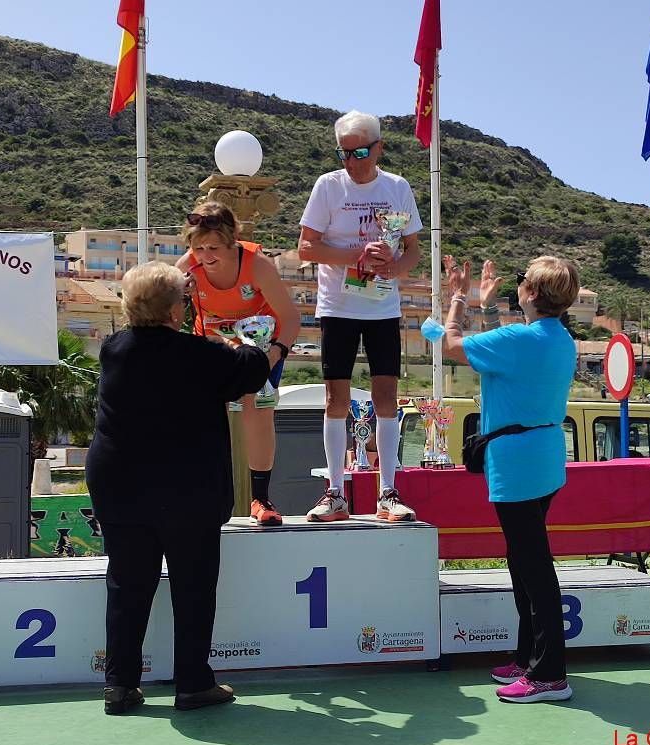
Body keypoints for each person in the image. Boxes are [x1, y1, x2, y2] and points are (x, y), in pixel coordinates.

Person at [86, 261, 273, 714]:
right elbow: (252, 368)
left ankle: (120, 685)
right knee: (193, 585)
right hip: (187, 488)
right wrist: (253, 337)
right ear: (175, 311)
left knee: (128, 584)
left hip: (120, 484)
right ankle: (192, 683)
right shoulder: (201, 355)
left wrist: (174, 296)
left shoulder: (114, 350)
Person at [442, 254, 580, 704]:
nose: (517, 284)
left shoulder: (522, 338)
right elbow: (504, 352)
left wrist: (458, 298)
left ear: (533, 293)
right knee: (525, 561)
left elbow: (451, 346)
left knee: (533, 566)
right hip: (542, 457)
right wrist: (487, 308)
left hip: (516, 463)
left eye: (521, 280)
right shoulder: (559, 339)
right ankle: (527, 659)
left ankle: (548, 675)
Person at [298, 110, 422, 523]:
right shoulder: (328, 187)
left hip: (382, 307)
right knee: (337, 399)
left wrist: (392, 267)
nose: (351, 161)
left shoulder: (397, 187)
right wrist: (356, 256)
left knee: (386, 398)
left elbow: (413, 253)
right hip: (337, 306)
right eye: (344, 153)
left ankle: (388, 491)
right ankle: (335, 492)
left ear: (379, 148)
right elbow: (306, 248)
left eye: (360, 152)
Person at [176, 201, 301, 526]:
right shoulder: (186, 268)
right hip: (214, 343)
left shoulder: (257, 265)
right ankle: (203, 492)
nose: (205, 255)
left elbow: (290, 318)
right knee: (202, 412)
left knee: (255, 410)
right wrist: (178, 295)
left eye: (214, 247)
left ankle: (261, 498)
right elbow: (166, 316)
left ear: (232, 241)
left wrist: (273, 354)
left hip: (261, 345)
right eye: (198, 247)